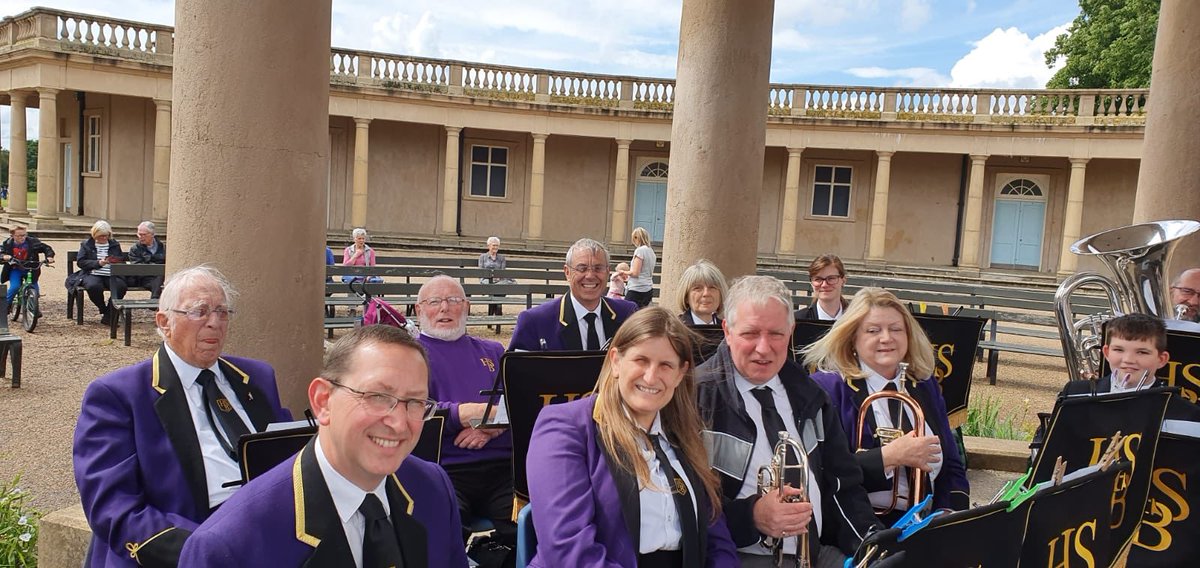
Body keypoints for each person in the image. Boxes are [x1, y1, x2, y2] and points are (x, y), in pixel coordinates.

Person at [179, 324, 469, 567]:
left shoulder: (432, 488)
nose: (398, 422)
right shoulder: (228, 546)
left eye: (415, 402)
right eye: (378, 396)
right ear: (322, 401)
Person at [73, 266, 292, 567]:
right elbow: (115, 509)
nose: (215, 323)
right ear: (165, 322)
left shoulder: (256, 378)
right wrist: (207, 551)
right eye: (200, 312)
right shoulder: (119, 395)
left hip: (268, 535)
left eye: (222, 312)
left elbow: (289, 462)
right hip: (185, 544)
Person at [526, 307, 739, 567]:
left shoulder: (683, 434)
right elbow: (568, 548)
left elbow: (716, 536)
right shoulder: (565, 427)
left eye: (665, 365)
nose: (651, 376)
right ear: (616, 361)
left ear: (680, 373)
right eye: (641, 360)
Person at [696, 276, 879, 567]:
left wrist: (870, 546)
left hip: (815, 554)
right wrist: (751, 516)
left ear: (791, 331)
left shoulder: (811, 395)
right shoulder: (695, 395)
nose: (764, 348)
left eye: (776, 334)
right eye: (750, 333)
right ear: (727, 331)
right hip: (737, 556)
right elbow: (683, 503)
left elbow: (844, 485)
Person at [803, 287, 969, 523]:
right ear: (853, 338)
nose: (886, 338)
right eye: (873, 330)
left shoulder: (923, 383)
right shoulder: (827, 388)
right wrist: (888, 457)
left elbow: (952, 463)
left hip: (927, 520)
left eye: (896, 329)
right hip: (861, 524)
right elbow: (824, 472)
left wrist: (949, 512)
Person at [415, 276, 515, 567]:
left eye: (454, 301)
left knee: (529, 524)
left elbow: (517, 402)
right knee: (443, 532)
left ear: (467, 307)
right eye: (434, 302)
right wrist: (466, 413)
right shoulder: (410, 355)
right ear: (420, 310)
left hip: (501, 467)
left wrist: (492, 429)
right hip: (445, 469)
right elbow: (415, 409)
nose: (445, 308)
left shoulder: (494, 351)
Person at [509, 238, 637, 351]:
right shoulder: (535, 322)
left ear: (608, 272)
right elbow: (516, 376)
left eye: (598, 268)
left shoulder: (627, 315)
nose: (590, 276)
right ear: (567, 273)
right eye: (582, 268)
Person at [1061, 313, 1170, 395]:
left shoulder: (1178, 409)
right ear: (1106, 353)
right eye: (1119, 350)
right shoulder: (1076, 392)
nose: (1128, 360)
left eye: (1142, 352)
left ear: (1161, 359)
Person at [77, 220, 128, 325]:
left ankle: (109, 316)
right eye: (101, 236)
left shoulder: (114, 244)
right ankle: (104, 309)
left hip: (111, 274)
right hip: (92, 273)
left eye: (106, 236)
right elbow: (81, 262)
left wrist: (115, 260)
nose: (104, 238)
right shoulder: (86, 244)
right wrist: (98, 263)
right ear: (95, 235)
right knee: (93, 286)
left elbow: (121, 259)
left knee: (120, 287)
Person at [0, 225, 55, 311]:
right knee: (15, 287)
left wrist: (49, 257)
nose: (23, 237)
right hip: (16, 269)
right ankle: (5, 306)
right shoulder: (7, 244)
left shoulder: (33, 242)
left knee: (35, 290)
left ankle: (33, 309)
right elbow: (1, 252)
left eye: (24, 235)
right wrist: (4, 256)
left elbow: (46, 248)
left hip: (31, 268)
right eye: (19, 236)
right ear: (12, 236)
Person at [795, 254, 848, 321]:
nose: (824, 285)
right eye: (818, 279)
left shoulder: (857, 319)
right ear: (811, 283)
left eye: (831, 278)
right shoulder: (798, 321)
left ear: (843, 280)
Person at [675, 259, 727, 326]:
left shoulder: (728, 330)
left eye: (712, 287)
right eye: (697, 288)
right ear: (686, 297)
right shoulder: (674, 330)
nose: (706, 293)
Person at [124, 221, 166, 298]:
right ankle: (155, 300)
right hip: (144, 278)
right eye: (139, 234)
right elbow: (137, 267)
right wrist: (155, 267)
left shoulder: (162, 247)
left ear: (152, 234)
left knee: (162, 279)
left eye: (144, 235)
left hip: (161, 278)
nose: (140, 237)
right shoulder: (135, 249)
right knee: (160, 278)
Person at [479, 236, 515, 317]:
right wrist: (490, 277)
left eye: (497, 245)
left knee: (505, 284)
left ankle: (494, 306)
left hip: (499, 280)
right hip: (486, 279)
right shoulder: (483, 257)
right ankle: (498, 307)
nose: (495, 247)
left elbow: (502, 271)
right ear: (488, 246)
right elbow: (481, 271)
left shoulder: (501, 258)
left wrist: (497, 277)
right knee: (494, 287)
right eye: (493, 245)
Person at [622, 227, 657, 309]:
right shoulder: (651, 252)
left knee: (627, 314)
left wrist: (623, 272)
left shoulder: (640, 250)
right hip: (648, 287)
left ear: (636, 238)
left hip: (637, 289)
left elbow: (635, 273)